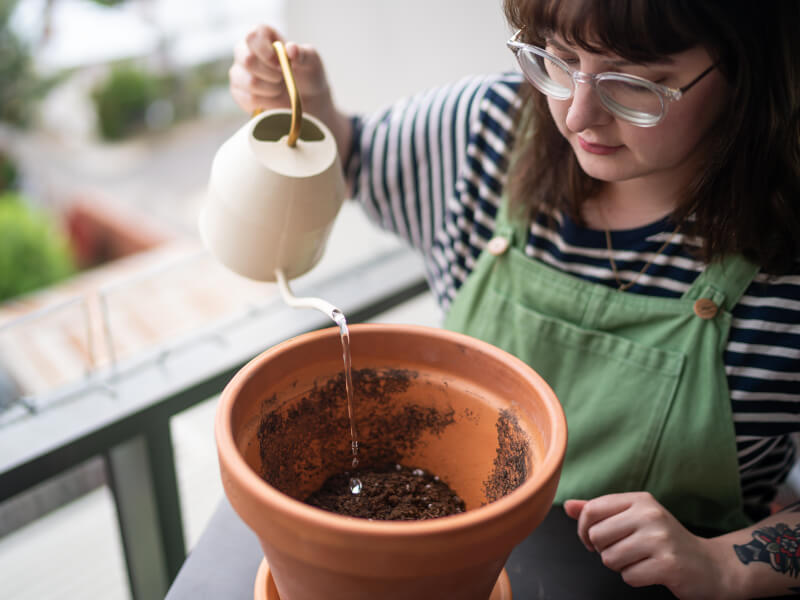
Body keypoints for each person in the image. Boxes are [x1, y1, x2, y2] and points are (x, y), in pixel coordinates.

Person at [229, 1, 800, 597]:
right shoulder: (485, 132)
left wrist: (727, 564)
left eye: (635, 84)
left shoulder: (786, 267)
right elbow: (351, 156)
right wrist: (309, 108)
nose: (579, 116)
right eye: (558, 58)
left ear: (748, 67)